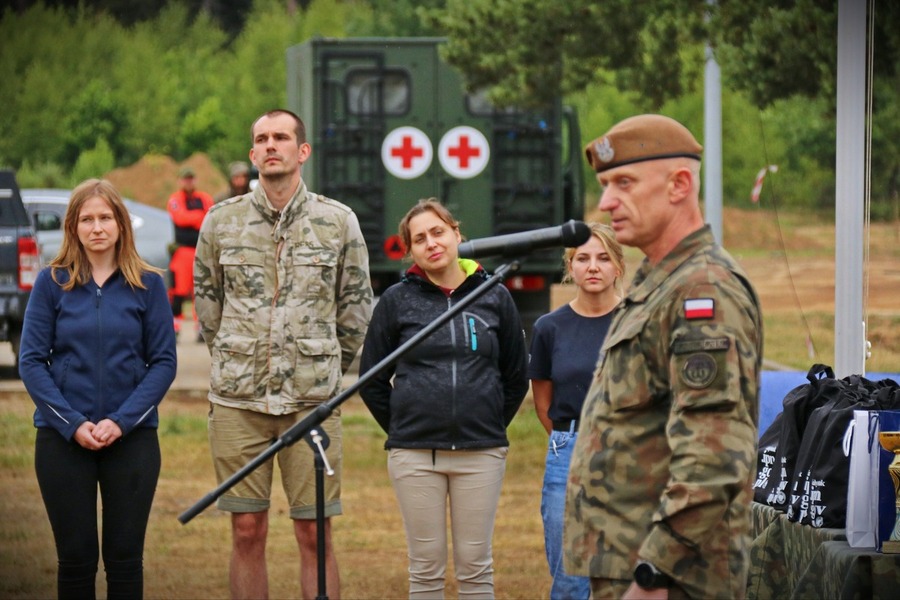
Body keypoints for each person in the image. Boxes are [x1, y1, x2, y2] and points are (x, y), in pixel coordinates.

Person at [564, 114, 763, 600]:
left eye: (624, 183)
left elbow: (714, 453)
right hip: (628, 563)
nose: (607, 201)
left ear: (678, 185)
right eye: (606, 185)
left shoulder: (703, 289)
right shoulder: (660, 280)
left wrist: (655, 572)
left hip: (669, 578)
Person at [193, 108, 373, 599]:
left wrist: (318, 363)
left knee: (315, 533)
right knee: (246, 530)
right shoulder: (220, 221)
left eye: (281, 137)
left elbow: (356, 309)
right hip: (238, 404)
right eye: (262, 139)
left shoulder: (337, 222)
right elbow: (209, 307)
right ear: (253, 154)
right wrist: (242, 357)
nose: (271, 145)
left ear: (302, 150)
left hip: (311, 403)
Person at [358, 198, 529, 599]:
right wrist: (406, 424)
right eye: (419, 239)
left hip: (480, 453)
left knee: (475, 568)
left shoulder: (494, 295)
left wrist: (483, 420)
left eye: (438, 232)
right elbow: (371, 380)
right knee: (425, 569)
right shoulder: (397, 301)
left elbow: (516, 376)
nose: (431, 243)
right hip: (415, 455)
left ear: (456, 234)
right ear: (411, 251)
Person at [19, 178, 177, 599]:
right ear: (73, 227)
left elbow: (163, 363)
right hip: (63, 441)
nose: (97, 227)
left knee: (125, 562)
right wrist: (72, 424)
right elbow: (31, 361)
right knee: (75, 561)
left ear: (121, 224)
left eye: (105, 217)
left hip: (132, 441)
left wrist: (121, 422)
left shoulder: (149, 284)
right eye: (86, 219)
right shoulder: (52, 283)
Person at [528, 222, 625, 600]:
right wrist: (572, 442)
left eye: (603, 258)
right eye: (582, 258)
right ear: (570, 268)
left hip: (630, 450)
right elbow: (543, 404)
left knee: (623, 567)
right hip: (568, 449)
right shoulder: (549, 328)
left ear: (618, 266)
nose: (593, 266)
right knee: (570, 569)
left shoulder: (639, 322)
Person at [167, 166, 213, 336]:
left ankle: (201, 328)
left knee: (202, 290)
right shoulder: (175, 199)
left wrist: (192, 218)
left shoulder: (204, 198)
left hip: (201, 250)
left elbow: (210, 217)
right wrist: (198, 217)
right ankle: (175, 326)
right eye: (186, 179)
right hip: (183, 251)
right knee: (178, 289)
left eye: (191, 178)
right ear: (180, 181)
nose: (189, 182)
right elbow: (180, 218)